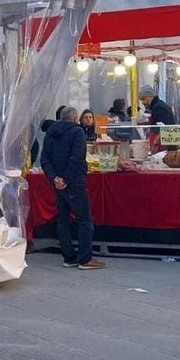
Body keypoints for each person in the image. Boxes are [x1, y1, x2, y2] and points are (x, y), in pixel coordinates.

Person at [42, 106, 106, 270]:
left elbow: (45, 158)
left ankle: (69, 257)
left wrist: (54, 178)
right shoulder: (77, 132)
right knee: (85, 220)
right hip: (74, 181)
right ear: (75, 117)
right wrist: (66, 179)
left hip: (57, 181)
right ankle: (85, 258)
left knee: (63, 220)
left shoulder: (50, 132)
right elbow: (77, 158)